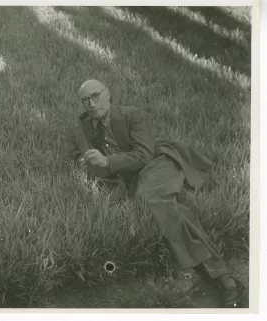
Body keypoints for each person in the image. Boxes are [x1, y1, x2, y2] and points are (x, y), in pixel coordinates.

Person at [72, 79, 244, 308]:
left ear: (108, 94)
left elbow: (144, 154)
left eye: (95, 96)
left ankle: (186, 274)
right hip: (134, 174)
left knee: (147, 197)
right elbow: (77, 152)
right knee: (171, 209)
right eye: (85, 100)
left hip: (159, 161)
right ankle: (224, 278)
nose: (91, 104)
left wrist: (107, 161)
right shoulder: (83, 125)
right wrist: (83, 161)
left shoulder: (132, 115)